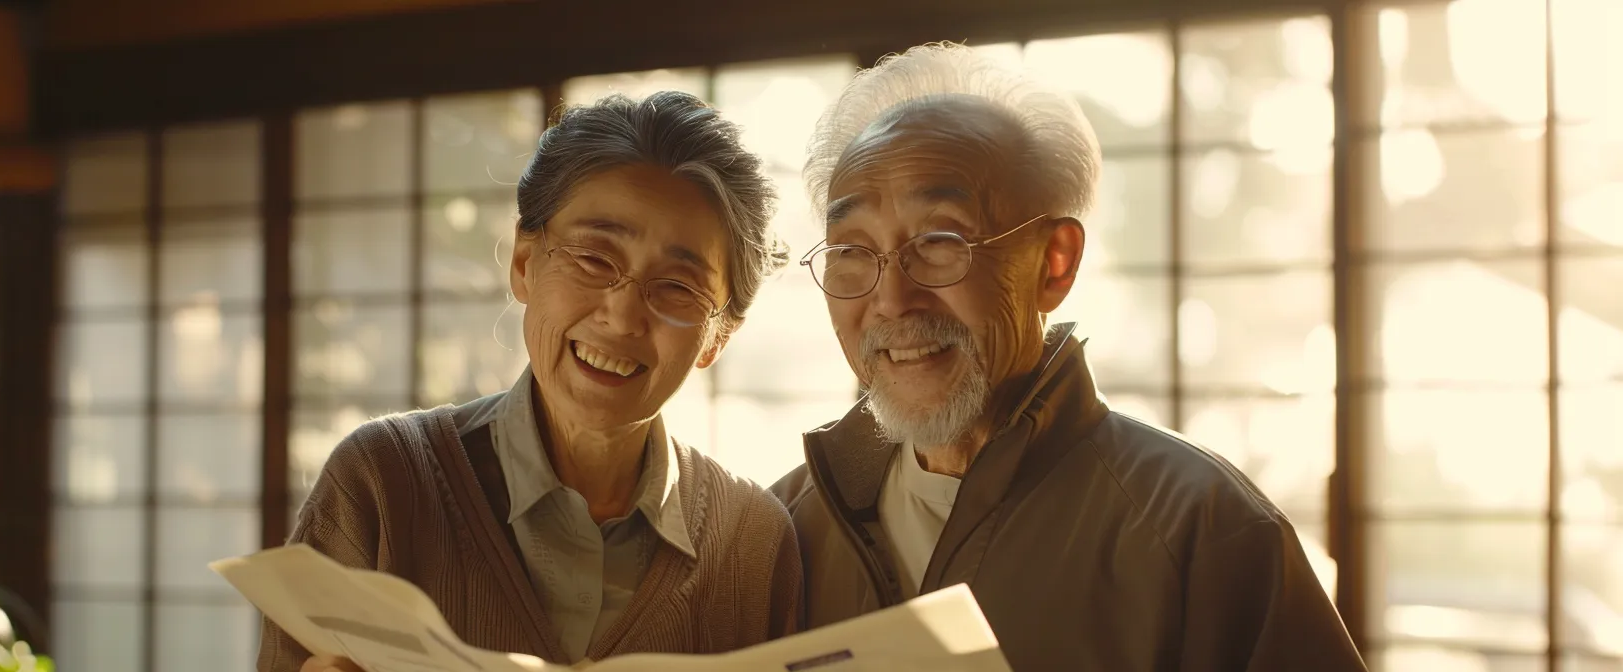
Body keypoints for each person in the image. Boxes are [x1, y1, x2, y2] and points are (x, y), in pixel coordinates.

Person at [770, 43, 1367, 671]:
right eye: (853, 251)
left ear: (1054, 263)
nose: (893, 300)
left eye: (939, 241)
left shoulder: (1200, 526)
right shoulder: (779, 528)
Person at [265, 91, 802, 671]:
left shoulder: (753, 543)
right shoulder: (383, 482)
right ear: (525, 262)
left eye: (677, 286)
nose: (622, 316)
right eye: (595, 258)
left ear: (719, 336)